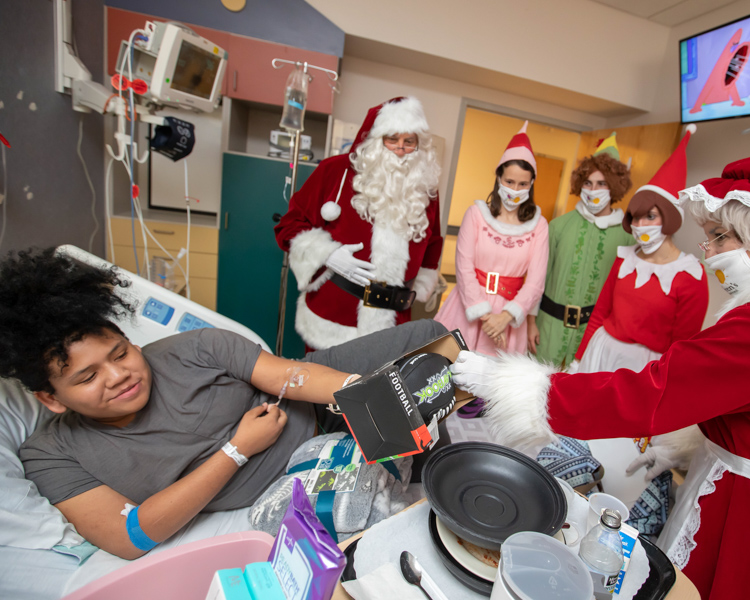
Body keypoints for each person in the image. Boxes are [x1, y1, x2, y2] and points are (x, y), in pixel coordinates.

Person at [451, 152, 750, 599]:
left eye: (718, 237)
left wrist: (514, 385)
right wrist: (683, 450)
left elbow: (654, 388)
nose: (707, 251)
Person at [0, 248, 447, 560]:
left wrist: (366, 393)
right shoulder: (51, 455)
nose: (119, 376)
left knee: (431, 342)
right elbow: (128, 536)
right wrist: (236, 451)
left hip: (312, 408)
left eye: (120, 353)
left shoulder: (192, 349)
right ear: (50, 399)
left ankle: (431, 460)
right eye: (89, 376)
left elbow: (289, 376)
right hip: (277, 471)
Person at [567, 128, 708, 528]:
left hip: (643, 372)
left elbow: (682, 348)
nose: (642, 224)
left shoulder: (690, 275)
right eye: (637, 216)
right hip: (602, 352)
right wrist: (578, 363)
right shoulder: (624, 257)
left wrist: (662, 403)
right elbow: (600, 312)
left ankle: (605, 519)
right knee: (583, 437)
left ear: (670, 219)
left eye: (652, 215)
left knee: (619, 453)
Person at [275, 97, 443, 351]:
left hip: (394, 321)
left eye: (409, 141)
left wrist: (421, 286)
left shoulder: (426, 188)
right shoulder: (334, 171)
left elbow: (433, 242)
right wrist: (328, 255)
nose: (400, 148)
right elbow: (289, 225)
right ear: (377, 139)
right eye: (392, 139)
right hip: (333, 317)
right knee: (319, 388)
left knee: (379, 390)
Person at [435, 121, 548, 356]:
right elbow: (464, 268)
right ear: (498, 178)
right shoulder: (476, 215)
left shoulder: (539, 226)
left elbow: (536, 282)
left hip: (509, 318)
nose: (515, 189)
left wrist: (504, 319)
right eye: (509, 181)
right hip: (466, 309)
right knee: (446, 376)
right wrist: (486, 317)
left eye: (522, 184)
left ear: (531, 184)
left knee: (491, 387)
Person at [531, 132, 634, 366]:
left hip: (594, 335)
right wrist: (530, 323)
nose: (592, 189)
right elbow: (539, 280)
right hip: (547, 329)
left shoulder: (627, 237)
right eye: (587, 182)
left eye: (601, 183)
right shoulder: (558, 226)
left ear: (614, 186)